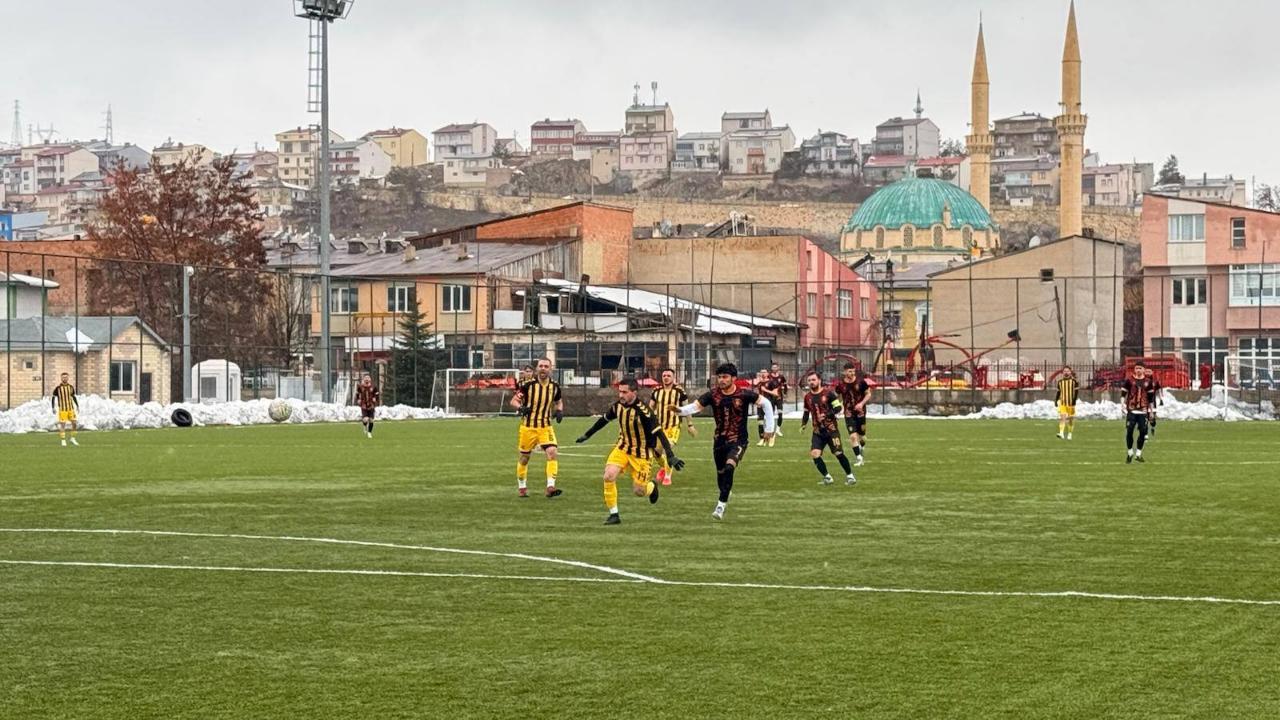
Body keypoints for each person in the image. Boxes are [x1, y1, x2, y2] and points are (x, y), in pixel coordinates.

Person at [673, 362, 775, 520]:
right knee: (721, 474)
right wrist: (679, 411)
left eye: (725, 377)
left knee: (729, 467)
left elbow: (766, 404)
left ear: (733, 378)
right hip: (719, 441)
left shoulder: (744, 394)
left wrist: (769, 428)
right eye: (719, 377)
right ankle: (725, 491)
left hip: (739, 441)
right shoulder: (712, 395)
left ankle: (720, 506)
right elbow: (695, 407)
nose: (721, 380)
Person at [577, 377, 684, 525]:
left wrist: (671, 455)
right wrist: (587, 435)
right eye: (619, 391)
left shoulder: (644, 412)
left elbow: (660, 433)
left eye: (624, 392)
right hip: (622, 448)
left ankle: (652, 487)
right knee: (608, 476)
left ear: (634, 392)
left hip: (641, 454)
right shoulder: (618, 406)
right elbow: (604, 420)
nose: (621, 395)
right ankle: (614, 514)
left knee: (639, 491)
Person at [510, 357, 564, 498]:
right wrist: (521, 408)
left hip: (546, 426)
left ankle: (550, 487)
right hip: (528, 427)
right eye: (541, 366)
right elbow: (514, 401)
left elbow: (559, 401)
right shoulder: (528, 386)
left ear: (550, 369)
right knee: (524, 458)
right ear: (537, 368)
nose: (543, 368)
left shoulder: (555, 386)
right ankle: (522, 487)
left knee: (552, 452)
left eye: (546, 366)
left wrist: (559, 411)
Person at [799, 372, 856, 486]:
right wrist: (803, 424)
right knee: (815, 454)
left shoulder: (829, 394)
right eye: (809, 380)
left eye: (813, 380)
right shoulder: (807, 397)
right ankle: (827, 477)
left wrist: (827, 414)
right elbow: (806, 412)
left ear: (819, 380)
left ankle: (850, 476)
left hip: (831, 430)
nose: (811, 382)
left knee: (838, 453)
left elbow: (838, 407)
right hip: (818, 432)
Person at [649, 368, 695, 486]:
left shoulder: (679, 391)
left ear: (673, 377)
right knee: (656, 452)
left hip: (673, 426)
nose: (666, 377)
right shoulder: (656, 390)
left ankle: (668, 476)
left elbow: (687, 409)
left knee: (667, 447)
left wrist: (690, 425)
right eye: (664, 375)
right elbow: (650, 409)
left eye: (668, 375)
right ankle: (664, 468)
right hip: (659, 428)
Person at [831, 363, 869, 465]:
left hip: (861, 412)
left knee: (862, 436)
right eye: (849, 371)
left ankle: (862, 446)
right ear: (845, 372)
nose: (852, 373)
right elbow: (836, 398)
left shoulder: (861, 382)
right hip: (848, 413)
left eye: (853, 371)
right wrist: (837, 408)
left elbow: (868, 394)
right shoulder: (840, 385)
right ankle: (859, 458)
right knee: (852, 436)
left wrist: (861, 403)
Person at [1120, 362, 1155, 464]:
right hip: (1132, 410)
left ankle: (1138, 454)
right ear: (1134, 370)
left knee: (1143, 432)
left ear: (1144, 370)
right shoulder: (1129, 380)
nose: (1138, 370)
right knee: (1129, 430)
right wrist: (1122, 404)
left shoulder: (1148, 382)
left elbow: (1151, 399)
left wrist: (1151, 412)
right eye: (1136, 368)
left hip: (1143, 411)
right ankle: (1130, 452)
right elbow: (1123, 393)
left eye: (1140, 368)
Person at [754, 369, 783, 447]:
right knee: (760, 421)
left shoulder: (771, 382)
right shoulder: (759, 383)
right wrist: (756, 401)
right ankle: (762, 439)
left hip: (769, 404)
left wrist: (765, 390)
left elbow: (776, 393)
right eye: (761, 372)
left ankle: (771, 437)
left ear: (767, 374)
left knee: (769, 422)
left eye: (764, 372)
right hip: (760, 404)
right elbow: (758, 393)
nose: (762, 373)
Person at [51, 372, 80, 447]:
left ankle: (72, 438)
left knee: (74, 423)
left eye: (66, 377)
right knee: (63, 424)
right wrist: (53, 407)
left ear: (68, 378)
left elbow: (73, 397)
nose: (65, 378)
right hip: (63, 409)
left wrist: (77, 406)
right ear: (61, 378)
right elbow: (53, 397)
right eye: (63, 377)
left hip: (70, 408)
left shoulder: (71, 387)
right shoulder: (58, 388)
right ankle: (63, 440)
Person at [1055, 366, 1079, 440]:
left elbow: (1076, 392)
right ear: (1062, 373)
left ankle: (1070, 434)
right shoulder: (1060, 382)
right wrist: (1055, 400)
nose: (1066, 372)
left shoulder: (1074, 381)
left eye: (1067, 371)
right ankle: (1061, 433)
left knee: (1071, 420)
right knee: (1062, 418)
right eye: (1064, 371)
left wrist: (1074, 401)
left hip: (1071, 403)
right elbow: (1058, 392)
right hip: (1063, 403)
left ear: (1070, 372)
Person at [355, 373, 380, 439]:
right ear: (363, 379)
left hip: (371, 405)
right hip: (364, 405)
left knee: (371, 420)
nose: (367, 379)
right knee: (365, 419)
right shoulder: (360, 386)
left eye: (368, 378)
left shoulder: (373, 386)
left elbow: (377, 394)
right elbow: (357, 393)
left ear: (370, 379)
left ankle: (369, 433)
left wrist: (375, 399)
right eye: (365, 378)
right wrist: (358, 399)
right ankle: (364, 425)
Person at [768, 362, 789, 437]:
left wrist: (785, 393)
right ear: (771, 368)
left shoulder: (781, 377)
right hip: (771, 398)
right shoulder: (769, 377)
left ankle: (778, 430)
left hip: (779, 398)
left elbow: (785, 385)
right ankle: (771, 430)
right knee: (771, 415)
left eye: (775, 367)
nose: (774, 368)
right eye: (773, 367)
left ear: (778, 368)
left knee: (780, 414)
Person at [1146, 373, 1163, 439]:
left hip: (1153, 402)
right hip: (1144, 403)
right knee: (1145, 418)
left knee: (1152, 418)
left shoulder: (1155, 382)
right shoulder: (1142, 382)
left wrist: (1161, 399)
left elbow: (1158, 390)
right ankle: (1146, 433)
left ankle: (1152, 427)